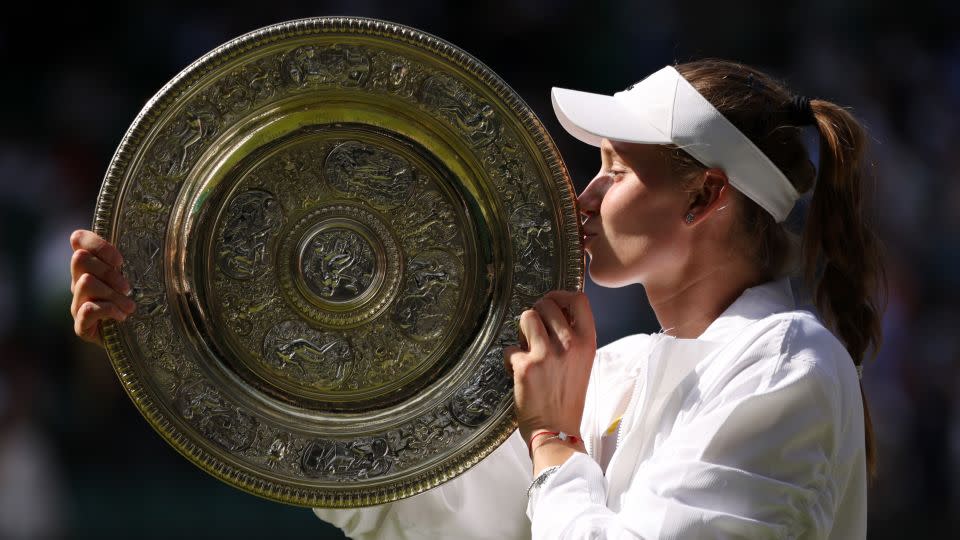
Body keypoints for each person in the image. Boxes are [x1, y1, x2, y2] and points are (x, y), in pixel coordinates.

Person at [70, 58, 884, 539]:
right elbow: (418, 506)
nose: (585, 194)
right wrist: (168, 318)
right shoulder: (621, 371)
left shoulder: (784, 364)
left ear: (706, 196)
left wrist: (557, 446)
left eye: (617, 168)